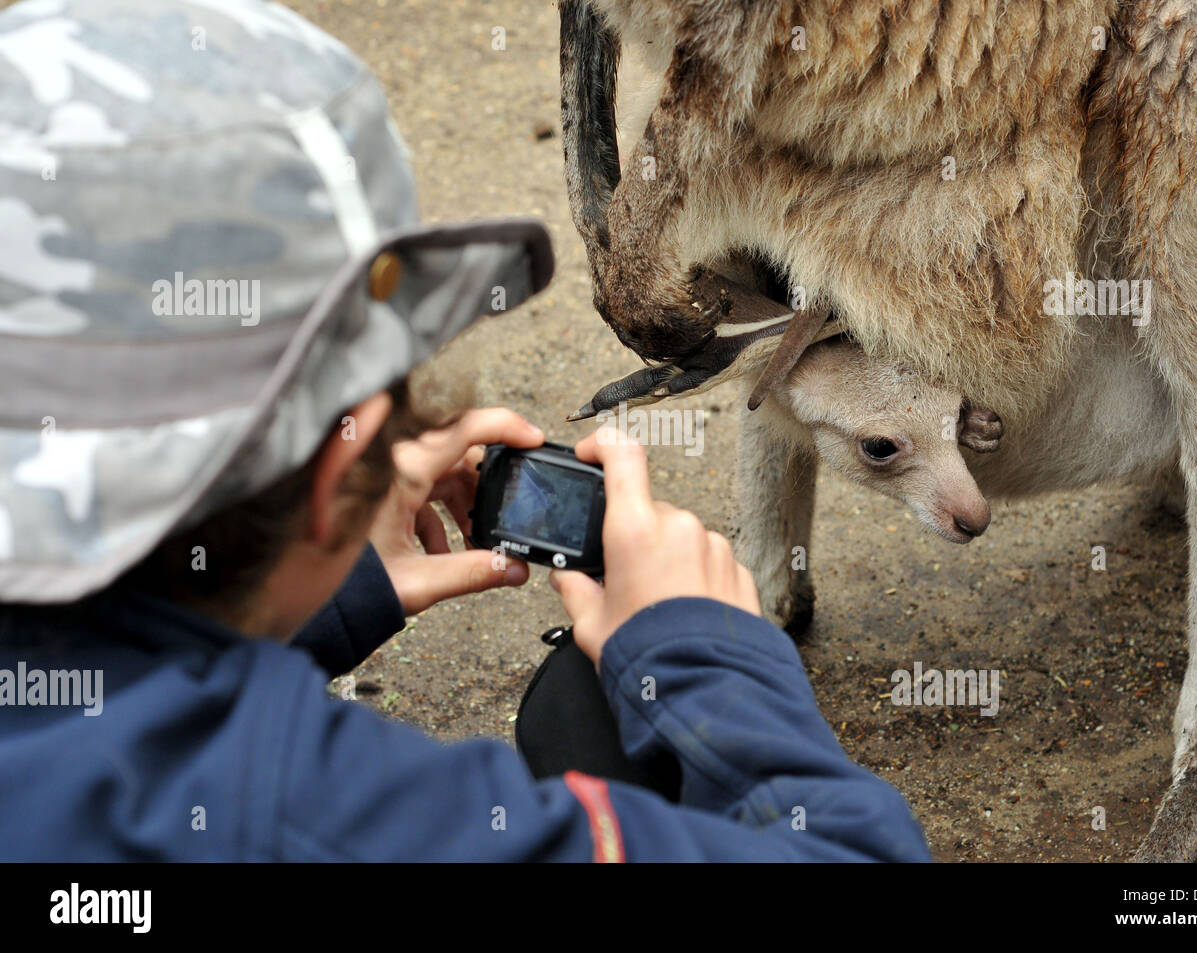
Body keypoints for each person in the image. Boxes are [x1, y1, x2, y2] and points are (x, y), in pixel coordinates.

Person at [0, 0, 930, 862]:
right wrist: (715, 660)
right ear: (336, 484)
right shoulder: (297, 814)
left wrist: (303, 597)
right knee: (590, 712)